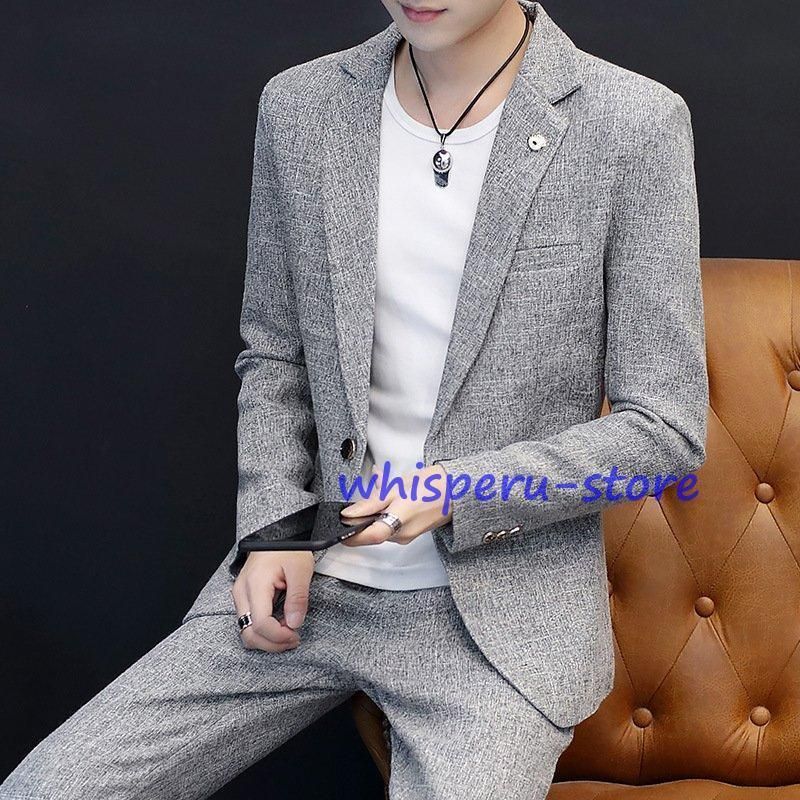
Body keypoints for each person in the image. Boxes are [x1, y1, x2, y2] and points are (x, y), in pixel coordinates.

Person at [0, 0, 708, 798]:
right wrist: (272, 529)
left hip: (496, 626)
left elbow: (666, 431)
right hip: (311, 578)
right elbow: (275, 351)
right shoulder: (302, 105)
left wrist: (457, 491)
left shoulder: (633, 122)